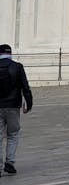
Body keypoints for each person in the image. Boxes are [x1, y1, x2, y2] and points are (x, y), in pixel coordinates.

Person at [0, 43, 33, 176]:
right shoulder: (17, 67)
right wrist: (28, 103)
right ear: (10, 53)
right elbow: (25, 86)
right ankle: (10, 162)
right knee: (13, 135)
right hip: (13, 106)